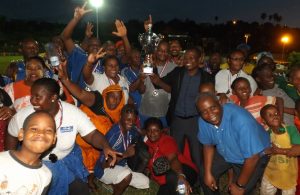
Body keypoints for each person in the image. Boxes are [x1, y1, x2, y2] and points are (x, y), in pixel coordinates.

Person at [5, 78, 120, 195]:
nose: (32, 101)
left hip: (68, 158)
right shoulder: (23, 115)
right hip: (37, 162)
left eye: (37, 97)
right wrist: (13, 162)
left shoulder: (72, 113)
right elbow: (11, 134)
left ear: (53, 97)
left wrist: (106, 146)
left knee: (81, 190)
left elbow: (92, 134)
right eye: (32, 96)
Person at [58, 61, 126, 190]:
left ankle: (92, 178)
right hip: (80, 142)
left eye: (118, 98)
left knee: (95, 163)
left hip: (98, 146)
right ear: (106, 96)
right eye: (112, 97)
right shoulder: (97, 100)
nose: (115, 101)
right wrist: (66, 80)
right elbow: (81, 93)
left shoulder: (119, 114)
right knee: (75, 172)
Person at [151, 47, 212, 171]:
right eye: (185, 58)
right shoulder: (178, 72)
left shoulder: (206, 77)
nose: (187, 60)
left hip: (195, 121)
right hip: (177, 121)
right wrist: (153, 68)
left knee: (197, 155)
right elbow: (158, 83)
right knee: (176, 154)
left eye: (191, 58)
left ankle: (199, 181)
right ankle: (179, 180)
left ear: (199, 59)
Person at [196, 92, 270, 195]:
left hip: (254, 156)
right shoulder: (203, 121)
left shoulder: (241, 120)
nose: (210, 114)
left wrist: (239, 186)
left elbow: (253, 157)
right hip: (226, 150)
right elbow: (207, 145)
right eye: (204, 112)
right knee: (204, 174)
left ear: (219, 103)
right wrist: (208, 173)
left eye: (213, 108)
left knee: (240, 191)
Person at [94, 104, 149, 195]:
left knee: (145, 182)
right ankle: (116, 185)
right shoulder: (114, 135)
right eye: (128, 120)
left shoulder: (131, 130)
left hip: (122, 166)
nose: (131, 123)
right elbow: (104, 164)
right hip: (104, 170)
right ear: (120, 117)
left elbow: (139, 133)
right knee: (127, 175)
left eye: (133, 120)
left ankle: (117, 182)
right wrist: (126, 154)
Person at [0, 111, 56, 194]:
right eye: (34, 129)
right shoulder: (2, 161)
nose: (41, 133)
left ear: (54, 139)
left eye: (48, 131)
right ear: (21, 134)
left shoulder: (46, 175)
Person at [145, 117, 197, 195]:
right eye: (149, 130)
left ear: (161, 131)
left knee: (172, 177)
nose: (152, 133)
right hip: (168, 179)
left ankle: (184, 191)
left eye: (156, 130)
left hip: (184, 170)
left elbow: (173, 159)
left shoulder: (166, 141)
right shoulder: (147, 144)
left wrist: (181, 176)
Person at [260, 104, 300, 195]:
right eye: (270, 115)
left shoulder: (290, 130)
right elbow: (263, 151)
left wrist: (278, 151)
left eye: (276, 113)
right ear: (264, 121)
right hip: (271, 171)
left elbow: (298, 150)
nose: (274, 116)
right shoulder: (267, 133)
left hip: (288, 173)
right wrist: (266, 151)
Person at [138, 41, 176, 127]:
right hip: (145, 111)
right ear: (155, 51)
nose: (163, 53)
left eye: (166, 51)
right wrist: (141, 79)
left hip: (163, 113)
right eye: (160, 50)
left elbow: (174, 90)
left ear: (169, 53)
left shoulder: (174, 68)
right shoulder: (146, 66)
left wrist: (159, 83)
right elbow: (141, 91)